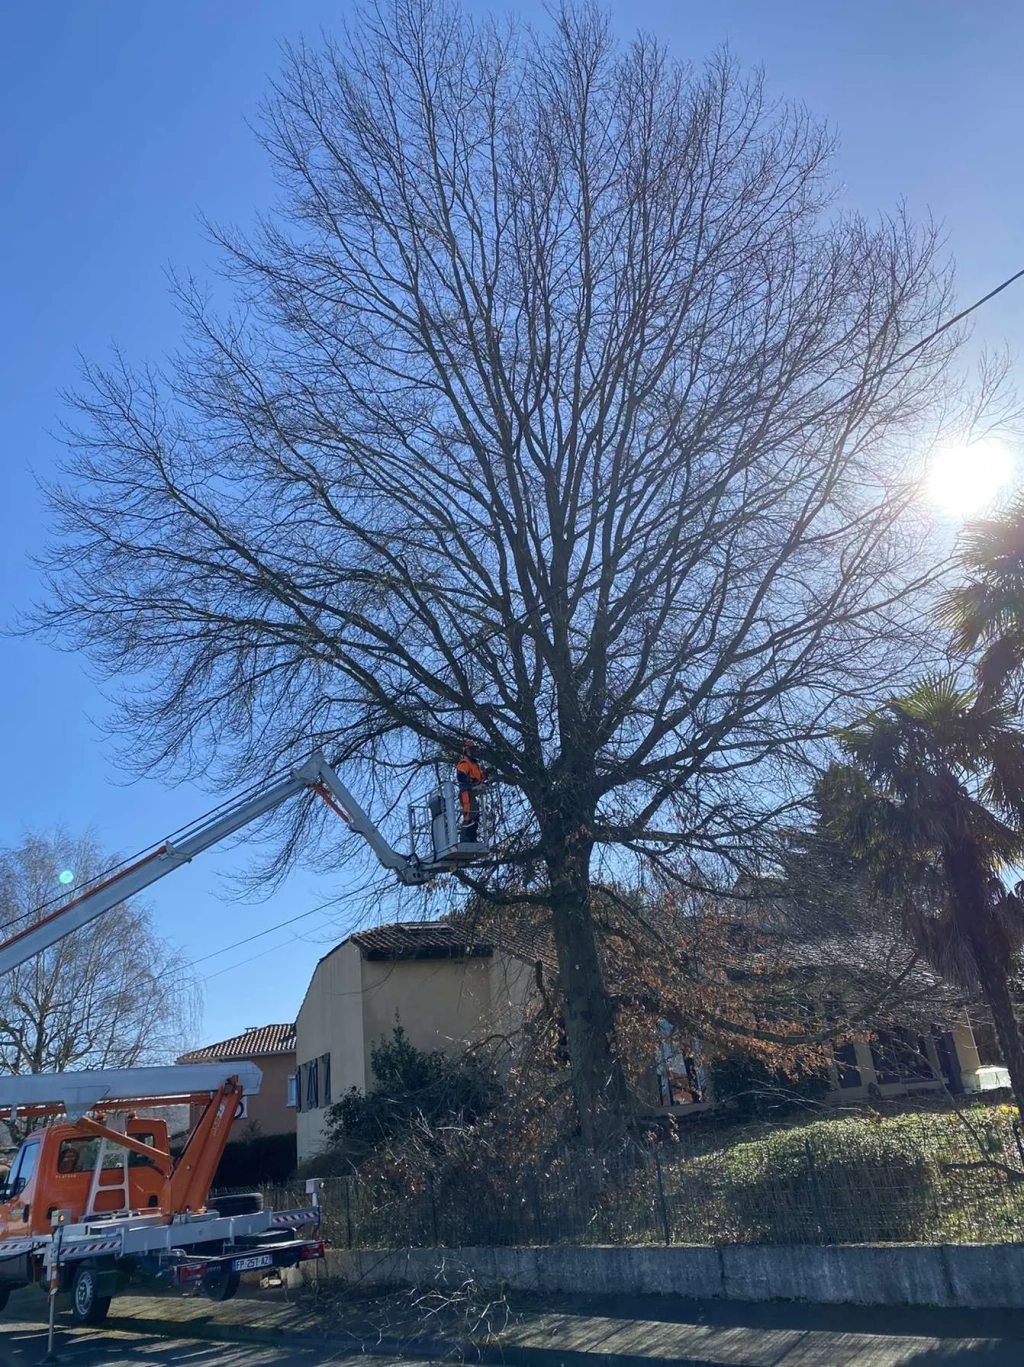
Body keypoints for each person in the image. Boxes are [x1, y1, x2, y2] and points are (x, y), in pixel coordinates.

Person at [455, 739, 486, 842]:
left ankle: (472, 838)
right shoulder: (465, 762)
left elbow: (480, 778)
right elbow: (461, 776)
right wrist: (470, 780)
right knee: (470, 815)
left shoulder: (476, 765)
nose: (473, 753)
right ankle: (465, 838)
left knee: (475, 816)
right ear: (466, 750)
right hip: (466, 792)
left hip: (473, 793)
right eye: (471, 750)